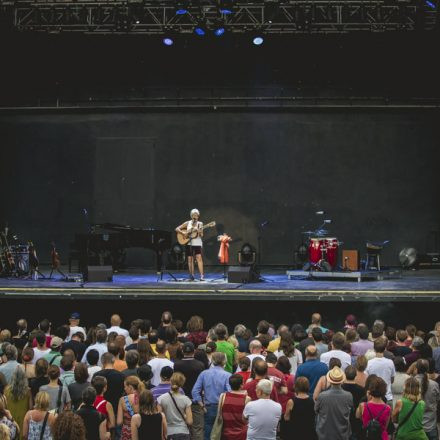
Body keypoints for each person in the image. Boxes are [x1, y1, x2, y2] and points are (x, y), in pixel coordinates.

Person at [192, 352, 231, 440]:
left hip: (208, 407)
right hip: (223, 407)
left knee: (208, 433)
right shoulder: (228, 375)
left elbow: (195, 391)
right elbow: (229, 392)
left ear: (212, 361)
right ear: (224, 361)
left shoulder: (204, 374)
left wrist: (201, 404)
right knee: (221, 433)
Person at [172, 342, 205, 440]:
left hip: (180, 400)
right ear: (194, 351)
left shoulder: (176, 365)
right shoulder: (200, 365)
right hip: (195, 400)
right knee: (197, 429)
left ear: (182, 351)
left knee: (182, 427)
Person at [315, 366, 353, 440]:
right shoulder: (348, 395)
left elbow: (316, 410)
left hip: (324, 433)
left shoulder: (322, 396)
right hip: (342, 433)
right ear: (341, 380)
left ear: (330, 380)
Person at [157, 372, 192, 440]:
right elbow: (189, 421)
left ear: (170, 381)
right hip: (183, 432)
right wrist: (184, 416)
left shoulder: (161, 399)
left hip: (168, 432)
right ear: (182, 384)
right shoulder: (186, 400)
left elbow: (159, 419)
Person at [356, 376, 391, 440]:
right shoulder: (387, 408)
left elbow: (358, 416)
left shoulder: (363, 405)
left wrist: (368, 399)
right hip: (381, 437)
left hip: (367, 436)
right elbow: (385, 427)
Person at [175, 209, 205, 281]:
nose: (195, 216)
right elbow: (177, 229)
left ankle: (201, 275)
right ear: (191, 216)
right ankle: (191, 275)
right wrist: (183, 233)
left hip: (197, 242)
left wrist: (199, 232)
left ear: (198, 216)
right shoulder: (187, 223)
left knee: (199, 258)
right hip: (189, 242)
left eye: (196, 215)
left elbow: (201, 235)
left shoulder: (200, 223)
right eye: (193, 215)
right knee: (190, 259)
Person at [218, 374, 250, 440]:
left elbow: (220, 414)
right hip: (242, 434)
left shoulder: (223, 396)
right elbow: (248, 418)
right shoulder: (246, 399)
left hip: (226, 434)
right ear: (241, 385)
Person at [414, 359, 440, 440]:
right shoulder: (434, 385)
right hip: (430, 425)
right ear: (427, 369)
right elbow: (437, 400)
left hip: (414, 426)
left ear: (416, 369)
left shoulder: (410, 383)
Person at [366, 338, 396, 404]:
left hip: (373, 398)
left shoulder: (369, 363)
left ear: (374, 349)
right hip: (387, 397)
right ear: (385, 348)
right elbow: (392, 380)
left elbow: (367, 381)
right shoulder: (390, 362)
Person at [4, 368, 32, 433]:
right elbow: (30, 408)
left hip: (10, 421)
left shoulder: (6, 390)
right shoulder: (28, 391)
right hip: (23, 422)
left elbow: (4, 406)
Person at [342, 365, 366, 439]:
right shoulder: (361, 390)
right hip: (356, 419)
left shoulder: (341, 388)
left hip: (343, 418)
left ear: (345, 375)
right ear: (355, 375)